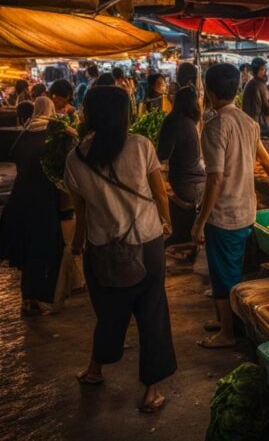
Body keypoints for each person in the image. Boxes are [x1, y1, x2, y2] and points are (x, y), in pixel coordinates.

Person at [64, 86, 175, 413]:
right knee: (152, 314)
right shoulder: (141, 147)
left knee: (109, 314)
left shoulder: (75, 157)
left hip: (102, 249)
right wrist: (166, 224)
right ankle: (151, 391)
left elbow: (80, 212)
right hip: (147, 244)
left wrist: (77, 243)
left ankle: (95, 370)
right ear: (125, 114)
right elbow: (161, 195)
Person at [193, 64, 269, 348]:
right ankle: (226, 320)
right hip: (246, 211)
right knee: (229, 270)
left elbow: (215, 179)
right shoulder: (248, 122)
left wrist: (200, 221)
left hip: (225, 214)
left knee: (225, 275)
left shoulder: (215, 126)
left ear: (209, 92)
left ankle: (227, 333)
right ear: (236, 90)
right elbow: (265, 158)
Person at [0, 97, 64, 316]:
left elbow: (14, 158)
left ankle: (28, 297)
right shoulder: (56, 134)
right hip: (45, 199)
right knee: (46, 249)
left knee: (27, 249)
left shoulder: (24, 134)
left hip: (21, 199)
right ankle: (42, 298)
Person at [157, 87, 205, 247]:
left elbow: (163, 154)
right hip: (191, 182)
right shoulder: (185, 122)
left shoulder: (174, 121)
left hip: (185, 182)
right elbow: (164, 155)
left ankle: (181, 234)